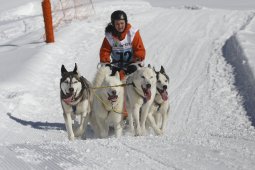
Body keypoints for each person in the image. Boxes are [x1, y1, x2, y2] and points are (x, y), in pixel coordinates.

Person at [99, 10, 146, 80]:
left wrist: (137, 60)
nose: (120, 26)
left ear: (126, 22)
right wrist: (106, 63)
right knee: (105, 78)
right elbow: (105, 51)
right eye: (117, 24)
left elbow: (139, 49)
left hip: (132, 65)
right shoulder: (110, 37)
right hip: (115, 65)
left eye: (122, 23)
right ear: (113, 24)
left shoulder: (132, 34)